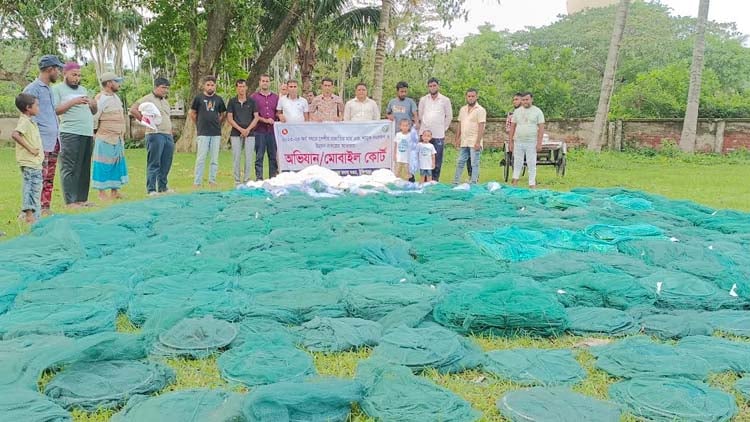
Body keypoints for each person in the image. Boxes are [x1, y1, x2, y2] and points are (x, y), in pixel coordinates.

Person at [23, 54, 63, 215]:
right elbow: (25, 113)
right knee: (36, 177)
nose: (59, 73)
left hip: (53, 140)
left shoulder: (49, 89)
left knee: (48, 176)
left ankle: (45, 207)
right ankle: (29, 210)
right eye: (57, 69)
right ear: (49, 69)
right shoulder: (32, 89)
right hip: (40, 141)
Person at [53, 62, 97, 208]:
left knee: (84, 166)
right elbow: (56, 110)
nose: (76, 78)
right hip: (70, 132)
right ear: (64, 74)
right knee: (69, 167)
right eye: (74, 75)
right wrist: (74, 101)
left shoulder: (83, 89)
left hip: (87, 132)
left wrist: (93, 103)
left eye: (79, 75)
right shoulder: (57, 89)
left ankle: (82, 199)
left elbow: (94, 111)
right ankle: (70, 201)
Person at [130, 77, 175, 195]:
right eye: (163, 88)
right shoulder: (147, 99)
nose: (165, 90)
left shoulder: (165, 101)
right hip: (154, 134)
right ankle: (151, 189)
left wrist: (170, 132)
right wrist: (145, 121)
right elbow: (133, 109)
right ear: (156, 87)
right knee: (154, 162)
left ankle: (163, 186)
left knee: (166, 162)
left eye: (167, 88)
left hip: (167, 134)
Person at [92, 72, 129, 200]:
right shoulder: (100, 98)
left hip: (117, 138)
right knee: (102, 164)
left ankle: (115, 191)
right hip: (105, 138)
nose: (119, 84)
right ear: (109, 83)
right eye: (116, 81)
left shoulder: (116, 98)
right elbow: (94, 117)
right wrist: (95, 133)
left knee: (116, 164)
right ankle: (101, 193)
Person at [11, 93, 44, 224]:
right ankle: (28, 215)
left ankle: (34, 214)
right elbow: (15, 134)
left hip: (35, 163)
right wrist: (30, 149)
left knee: (36, 189)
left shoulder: (30, 121)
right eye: (37, 105)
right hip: (29, 163)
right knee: (30, 188)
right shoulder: (24, 121)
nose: (38, 108)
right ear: (28, 108)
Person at [190, 75, 226, 187]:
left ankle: (212, 180)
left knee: (214, 159)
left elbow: (222, 114)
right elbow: (192, 113)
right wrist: (199, 124)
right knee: (201, 158)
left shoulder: (219, 99)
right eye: (208, 85)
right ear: (204, 86)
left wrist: (216, 122)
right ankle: (197, 182)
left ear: (215, 86)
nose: (210, 87)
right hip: (203, 132)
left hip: (216, 132)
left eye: (212, 85)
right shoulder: (198, 98)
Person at [418, 77, 452, 182]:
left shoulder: (445, 100)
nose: (432, 88)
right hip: (424, 134)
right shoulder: (423, 100)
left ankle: (434, 181)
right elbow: (420, 115)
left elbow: (449, 116)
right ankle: (424, 182)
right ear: (428, 87)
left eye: (434, 85)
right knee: (424, 158)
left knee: (436, 160)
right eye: (430, 86)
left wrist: (443, 129)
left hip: (438, 135)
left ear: (438, 86)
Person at [509, 92, 545, 188]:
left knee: (531, 163)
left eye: (527, 99)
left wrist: (539, 143)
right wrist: (510, 142)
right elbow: (512, 127)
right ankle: (515, 181)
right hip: (518, 141)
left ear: (531, 100)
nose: (525, 102)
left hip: (531, 142)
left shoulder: (537, 111)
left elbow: (541, 128)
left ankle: (532, 184)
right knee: (517, 162)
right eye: (523, 100)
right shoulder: (517, 112)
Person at [226, 79, 258, 185]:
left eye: (243, 86)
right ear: (236, 88)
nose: (241, 89)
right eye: (239, 87)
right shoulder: (232, 101)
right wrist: (241, 130)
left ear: (246, 88)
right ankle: (237, 180)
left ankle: (247, 179)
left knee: (249, 157)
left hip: (250, 133)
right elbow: (230, 118)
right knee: (236, 156)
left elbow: (256, 117)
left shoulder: (252, 101)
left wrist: (247, 130)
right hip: (236, 133)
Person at [453, 88, 486, 185]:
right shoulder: (463, 109)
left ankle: (473, 182)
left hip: (474, 141)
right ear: (466, 97)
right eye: (469, 96)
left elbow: (481, 127)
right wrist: (457, 138)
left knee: (474, 163)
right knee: (460, 161)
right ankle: (455, 181)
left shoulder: (480, 110)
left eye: (473, 96)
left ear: (476, 97)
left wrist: (478, 142)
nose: (471, 98)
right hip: (464, 140)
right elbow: (460, 124)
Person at [251, 74, 280, 180]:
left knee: (273, 156)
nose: (265, 83)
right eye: (263, 81)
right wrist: (265, 120)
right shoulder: (254, 97)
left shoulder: (276, 97)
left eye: (267, 81)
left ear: (270, 83)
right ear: (259, 82)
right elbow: (253, 114)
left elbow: (278, 112)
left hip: (272, 132)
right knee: (259, 156)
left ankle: (273, 178)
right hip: (259, 131)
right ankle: (259, 178)